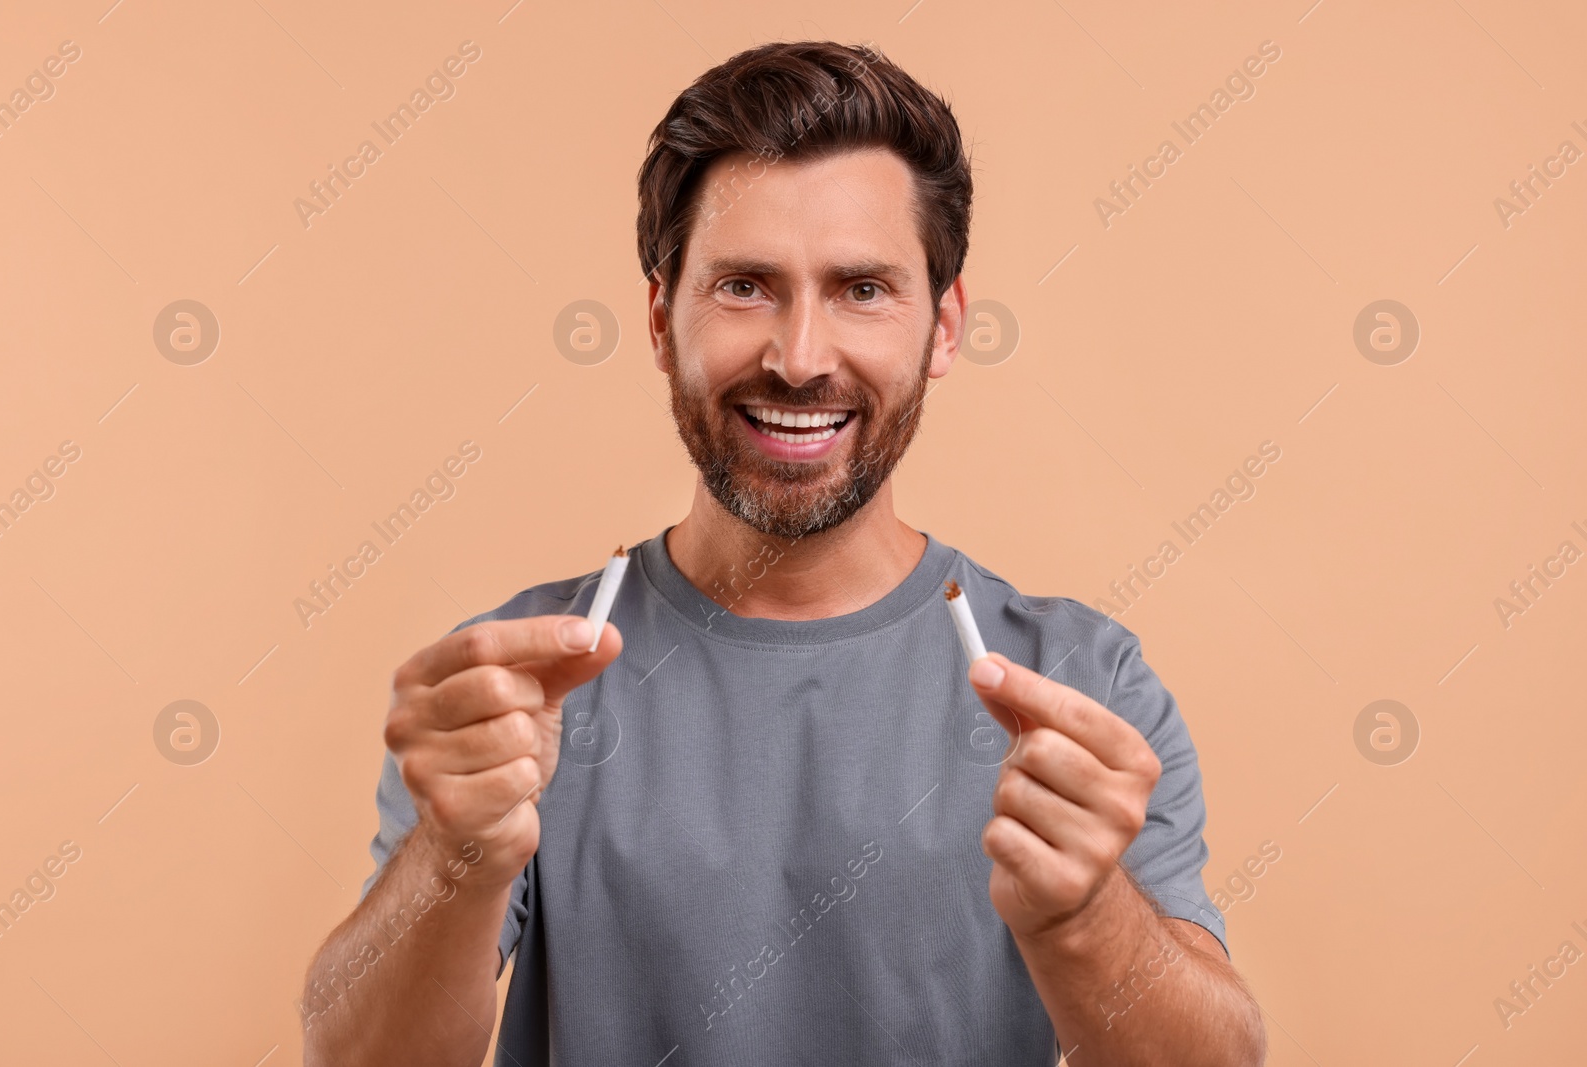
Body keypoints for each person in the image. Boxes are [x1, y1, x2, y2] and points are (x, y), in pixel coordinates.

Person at [302, 39, 1266, 1066]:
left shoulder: (1080, 682)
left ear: (941, 326)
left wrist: (1085, 917)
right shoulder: (516, 686)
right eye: (745, 286)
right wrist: (456, 856)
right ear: (661, 318)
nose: (799, 357)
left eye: (861, 289)